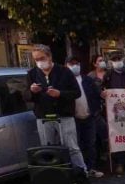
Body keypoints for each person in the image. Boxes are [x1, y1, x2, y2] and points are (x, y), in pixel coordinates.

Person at [23, 44, 87, 173]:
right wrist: (32, 91)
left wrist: (60, 94)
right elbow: (26, 96)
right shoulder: (32, 73)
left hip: (64, 115)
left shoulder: (64, 71)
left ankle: (81, 173)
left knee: (72, 148)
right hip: (43, 117)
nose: (40, 62)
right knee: (48, 148)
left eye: (42, 58)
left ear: (49, 56)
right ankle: (54, 176)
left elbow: (76, 93)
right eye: (36, 60)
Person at [66, 56, 104, 178]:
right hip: (73, 118)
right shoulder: (65, 80)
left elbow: (97, 94)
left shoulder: (87, 80)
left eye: (77, 63)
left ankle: (91, 167)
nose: (75, 66)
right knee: (76, 145)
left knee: (91, 144)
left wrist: (97, 105)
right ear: (66, 65)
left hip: (89, 116)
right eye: (72, 64)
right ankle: (80, 170)